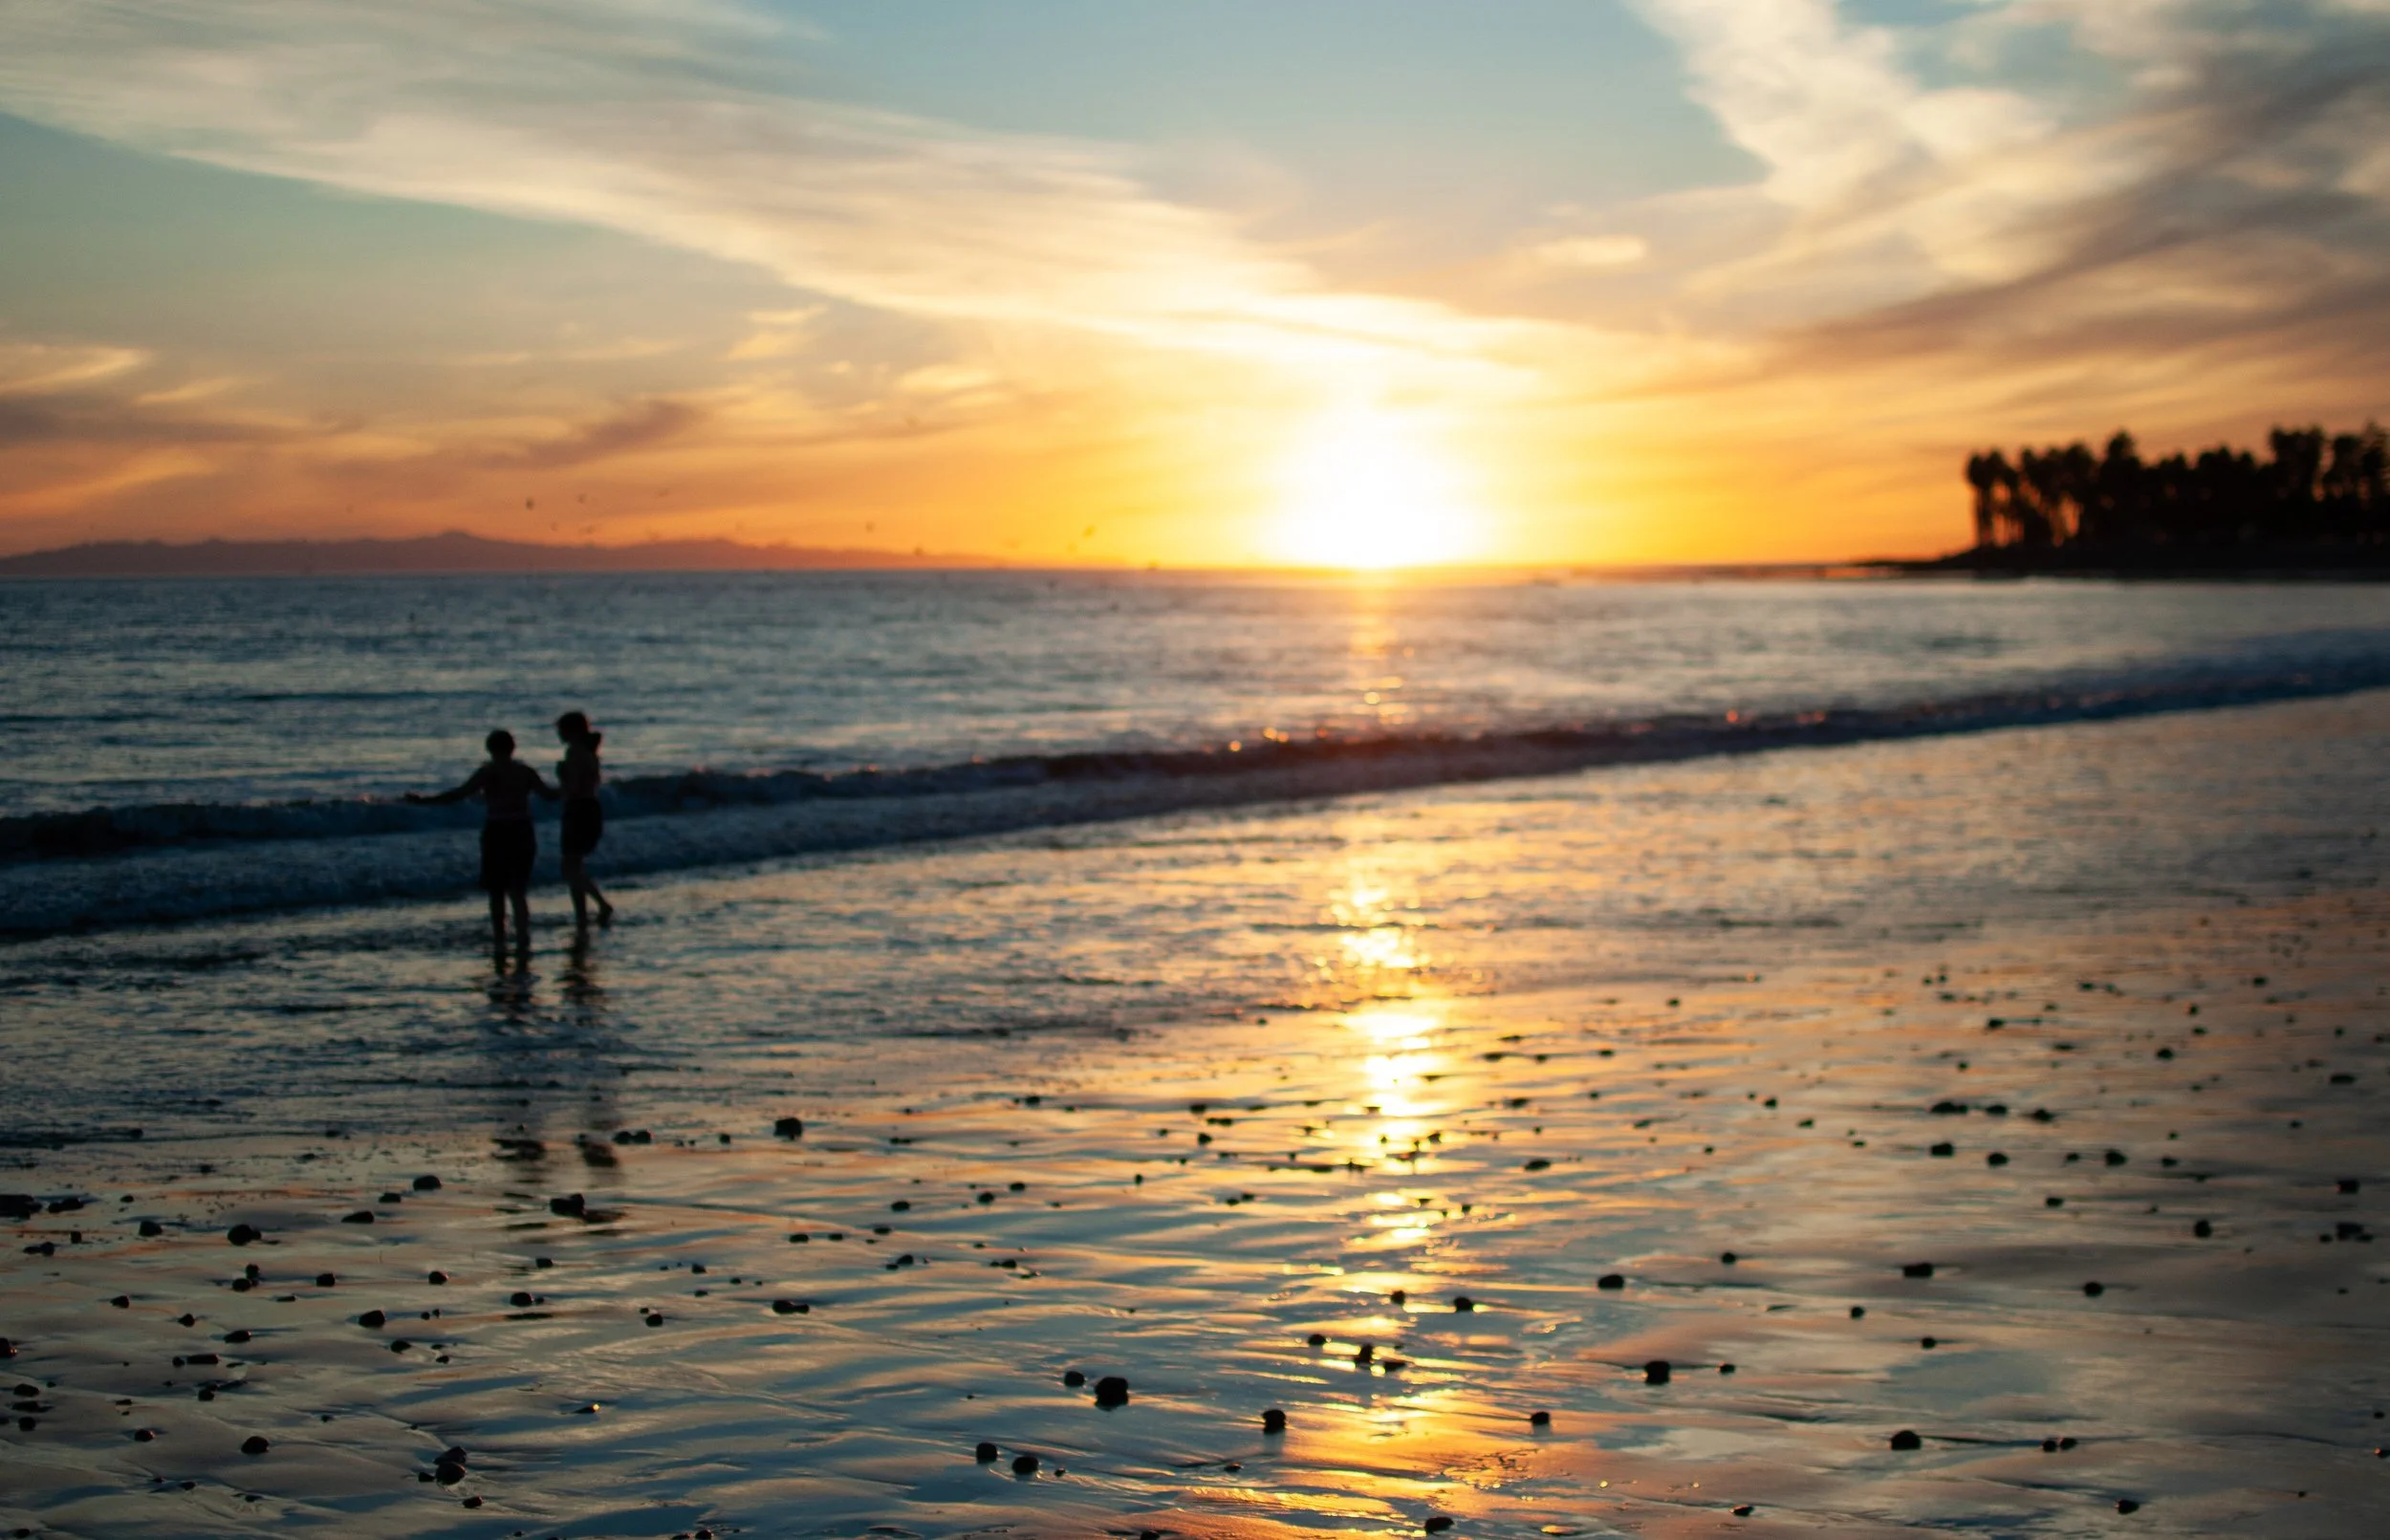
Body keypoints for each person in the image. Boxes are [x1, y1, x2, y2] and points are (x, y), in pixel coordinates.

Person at [407, 729, 557, 953]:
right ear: (512, 748)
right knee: (518, 889)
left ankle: (500, 936)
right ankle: (523, 936)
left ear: (490, 749)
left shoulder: (489, 772)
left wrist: (425, 801)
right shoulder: (525, 771)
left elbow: (460, 794)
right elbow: (549, 795)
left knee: (496, 889)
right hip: (523, 829)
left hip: (498, 830)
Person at [554, 710, 615, 927]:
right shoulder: (589, 751)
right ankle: (581, 913)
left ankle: (599, 905)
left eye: (561, 729)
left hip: (579, 809)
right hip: (589, 808)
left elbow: (574, 788)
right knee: (574, 865)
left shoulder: (575, 752)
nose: (559, 733)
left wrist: (561, 777)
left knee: (570, 866)